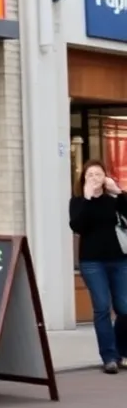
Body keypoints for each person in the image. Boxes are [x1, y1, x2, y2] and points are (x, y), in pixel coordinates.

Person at [69, 159, 127, 373]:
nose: (95, 178)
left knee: (124, 307)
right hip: (92, 262)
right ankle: (109, 357)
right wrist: (86, 198)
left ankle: (122, 351)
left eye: (99, 174)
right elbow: (77, 226)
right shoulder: (78, 201)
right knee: (102, 307)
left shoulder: (113, 199)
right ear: (84, 179)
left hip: (119, 260)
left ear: (106, 178)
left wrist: (119, 192)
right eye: (90, 175)